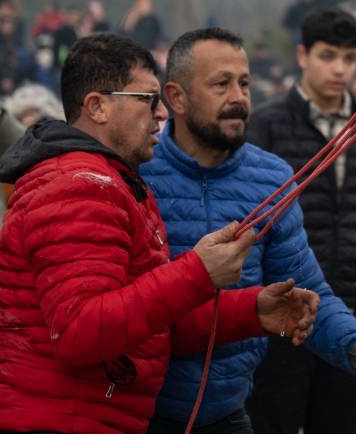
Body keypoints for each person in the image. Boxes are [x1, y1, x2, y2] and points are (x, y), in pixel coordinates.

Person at [0, 33, 318, 434]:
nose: (161, 115)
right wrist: (198, 272)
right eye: (147, 100)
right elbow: (81, 332)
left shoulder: (115, 181)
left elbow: (147, 327)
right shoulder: (79, 185)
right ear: (97, 106)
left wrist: (251, 311)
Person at [143, 27, 356, 434]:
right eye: (221, 84)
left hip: (231, 412)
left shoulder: (271, 179)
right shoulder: (137, 174)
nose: (239, 98)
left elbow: (307, 289)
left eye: (244, 83)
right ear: (175, 97)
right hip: (142, 414)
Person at [246, 7, 356, 434]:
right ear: (303, 55)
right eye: (328, 56)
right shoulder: (266, 125)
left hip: (351, 311)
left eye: (348, 58)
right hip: (280, 315)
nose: (339, 68)